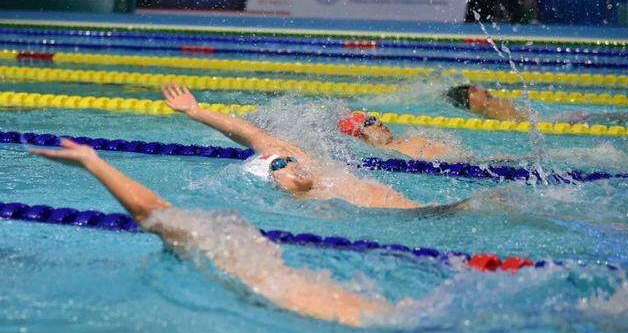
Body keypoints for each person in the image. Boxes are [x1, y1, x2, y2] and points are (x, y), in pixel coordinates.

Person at [28, 139, 400, 327]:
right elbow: (150, 211)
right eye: (281, 165)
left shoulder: (249, 259)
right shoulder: (242, 258)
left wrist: (94, 162)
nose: (294, 166)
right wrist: (94, 162)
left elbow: (152, 213)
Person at [161, 83, 470, 215]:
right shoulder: (309, 205)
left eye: (287, 159)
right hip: (410, 216)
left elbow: (247, 131)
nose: (290, 164)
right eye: (278, 167)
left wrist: (195, 111)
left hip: (423, 210)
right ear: (272, 183)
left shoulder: (318, 171)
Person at [445, 84, 628, 125]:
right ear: (470, 103)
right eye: (473, 90)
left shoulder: (491, 104)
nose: (480, 89)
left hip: (553, 121)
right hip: (553, 124)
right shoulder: (488, 108)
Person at [337, 111, 459, 160]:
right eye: (369, 122)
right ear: (362, 136)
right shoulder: (386, 155)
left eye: (374, 118)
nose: (378, 122)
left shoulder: (404, 137)